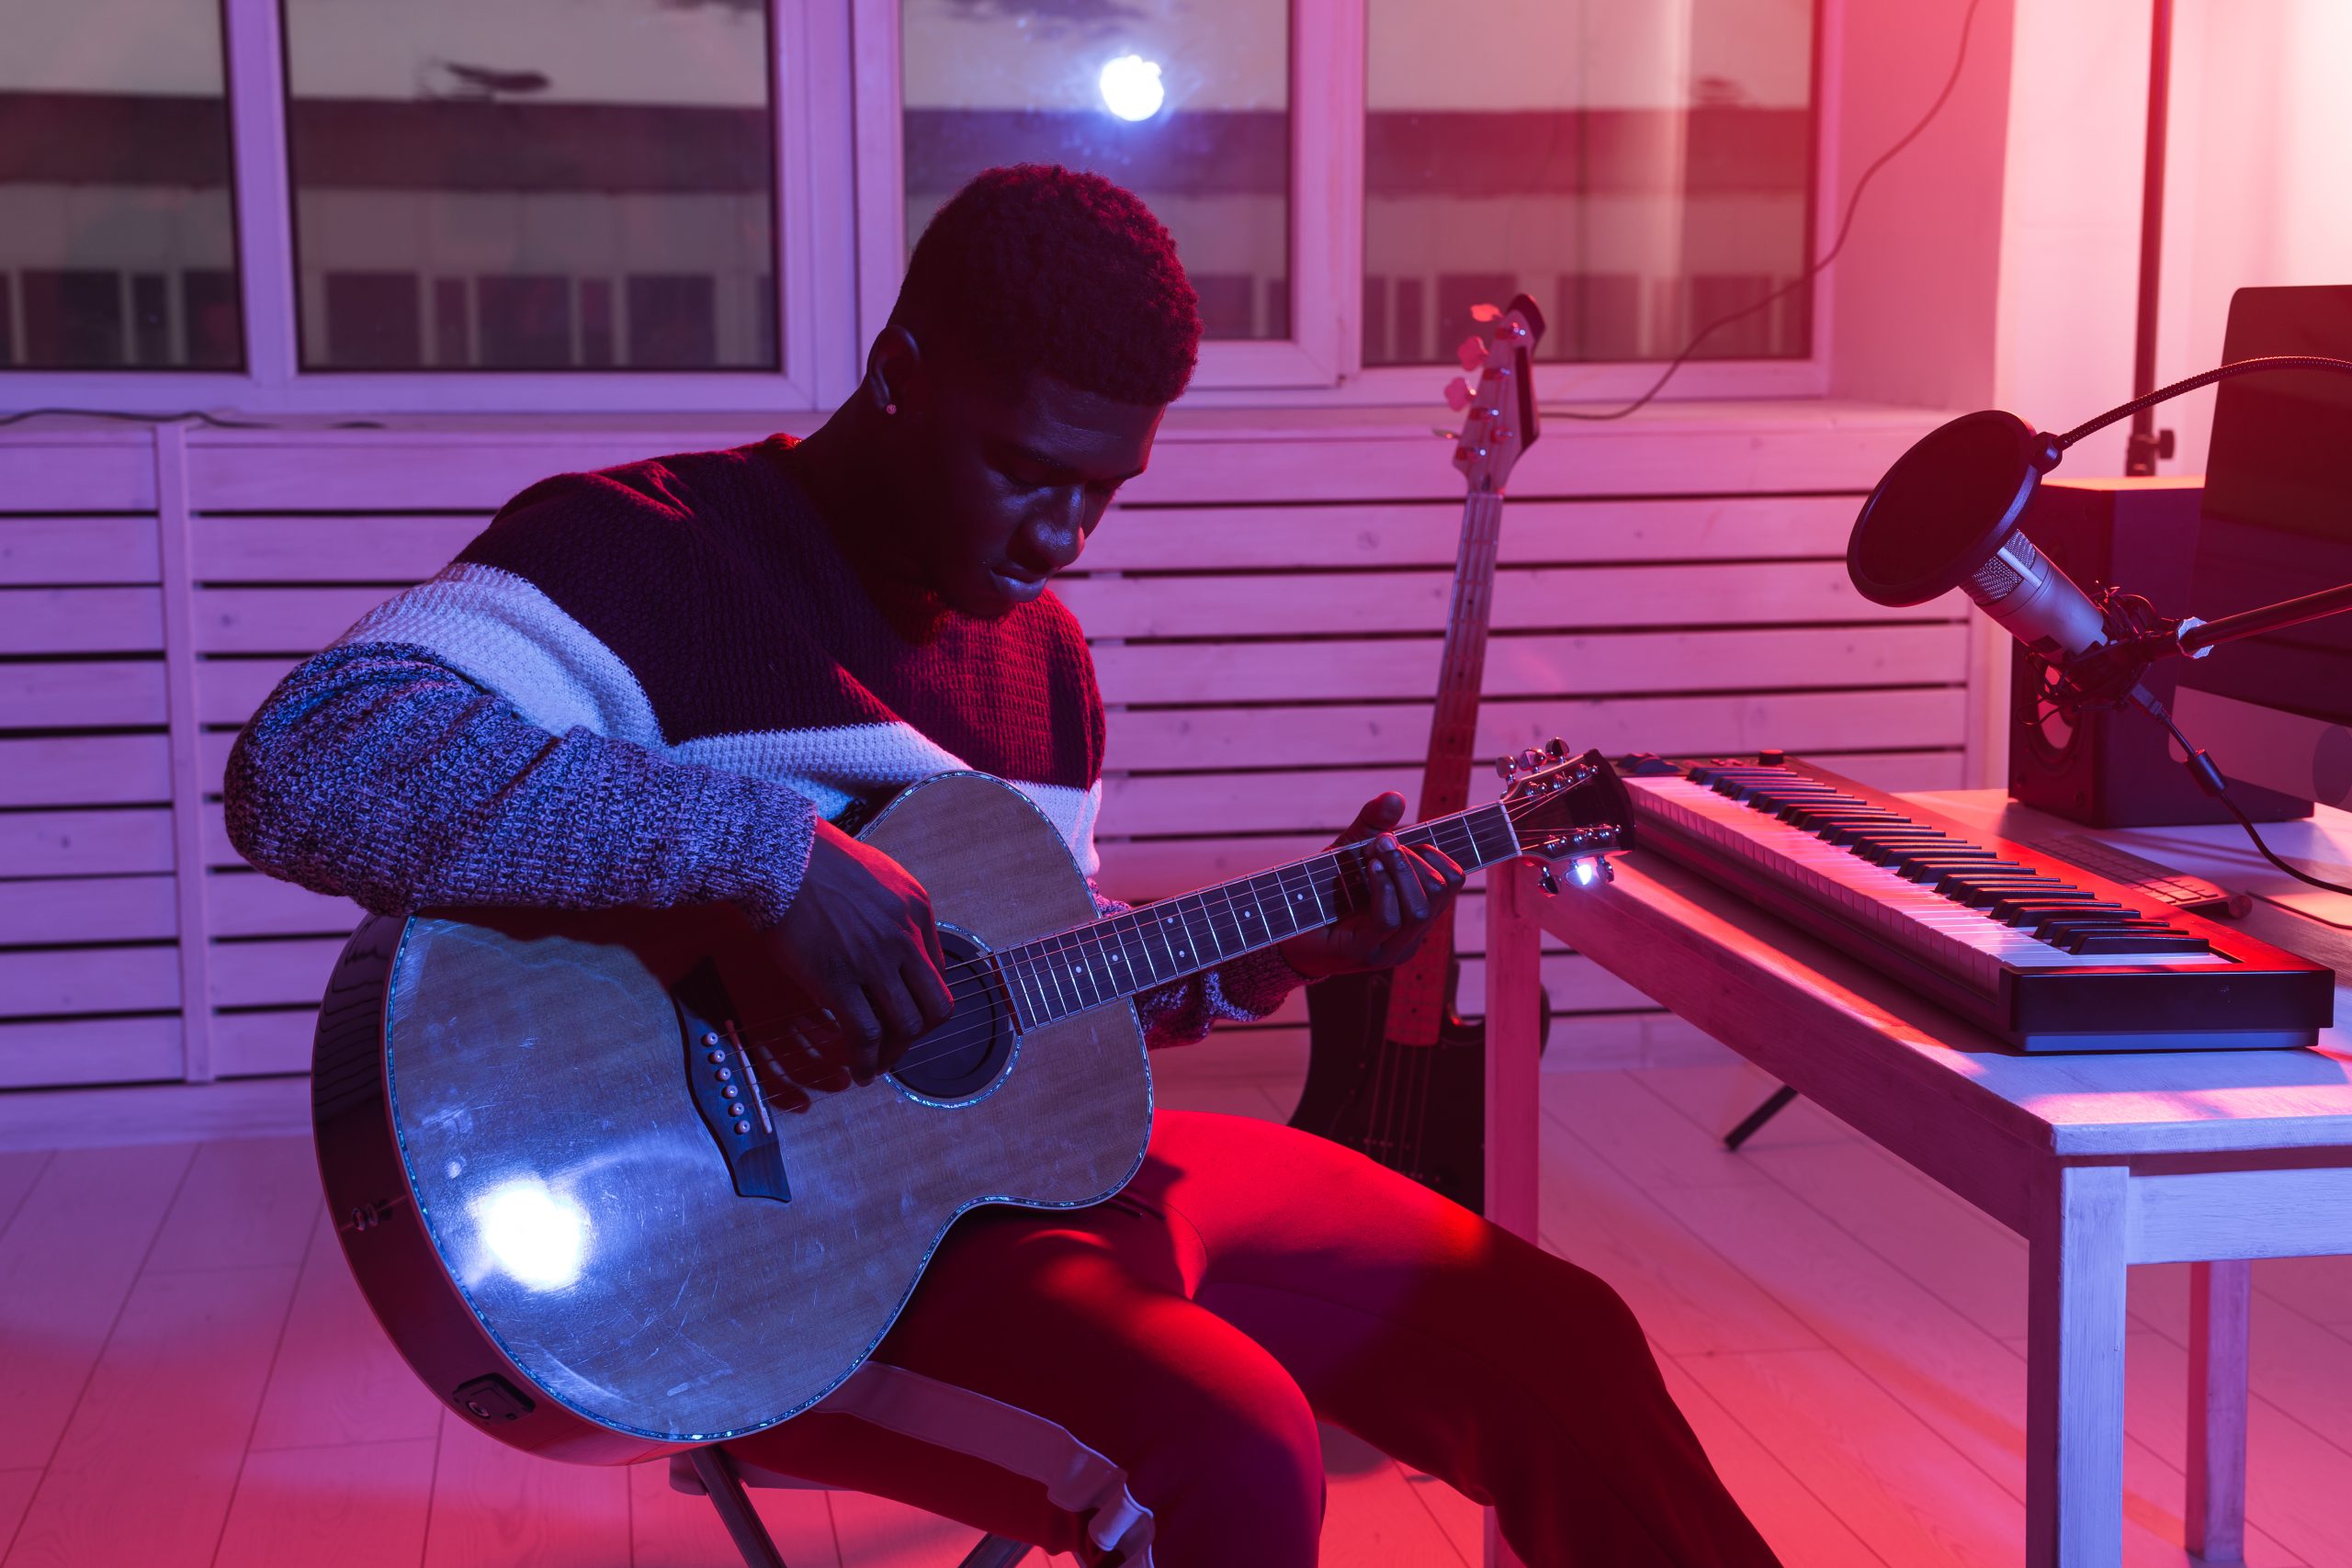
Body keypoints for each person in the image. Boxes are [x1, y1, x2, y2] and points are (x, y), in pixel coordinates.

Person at [226, 164, 1781, 1567]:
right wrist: (766, 862)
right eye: (1031, 471)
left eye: (1106, 490)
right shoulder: (646, 553)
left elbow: (1021, 992)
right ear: (902, 374)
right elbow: (308, 765)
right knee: (1226, 1452)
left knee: (1557, 1337)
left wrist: (1283, 951)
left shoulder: (1040, 660)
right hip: (753, 1266)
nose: (1066, 537)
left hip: (1019, 1194)